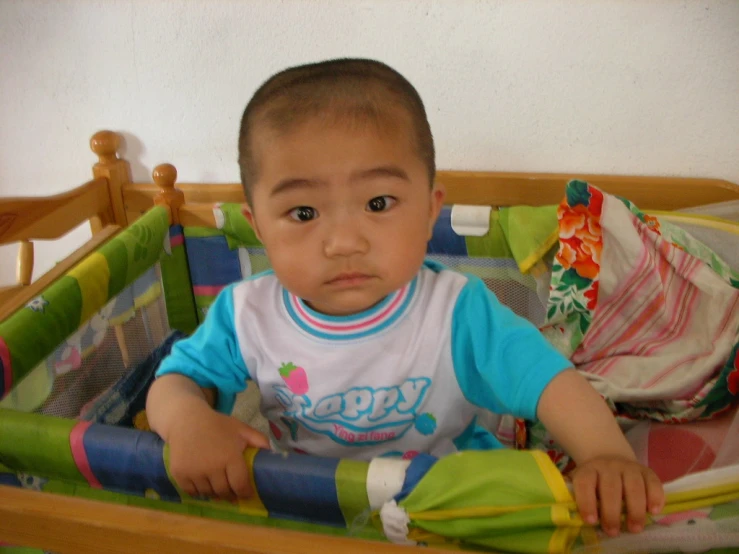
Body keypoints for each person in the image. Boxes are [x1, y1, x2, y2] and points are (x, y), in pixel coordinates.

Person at [146, 58, 664, 537]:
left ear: (429, 210)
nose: (344, 242)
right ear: (258, 227)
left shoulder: (455, 310)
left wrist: (604, 455)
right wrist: (190, 422)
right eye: (303, 213)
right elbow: (176, 382)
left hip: (449, 498)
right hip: (310, 500)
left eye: (378, 202)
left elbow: (550, 381)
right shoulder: (245, 315)